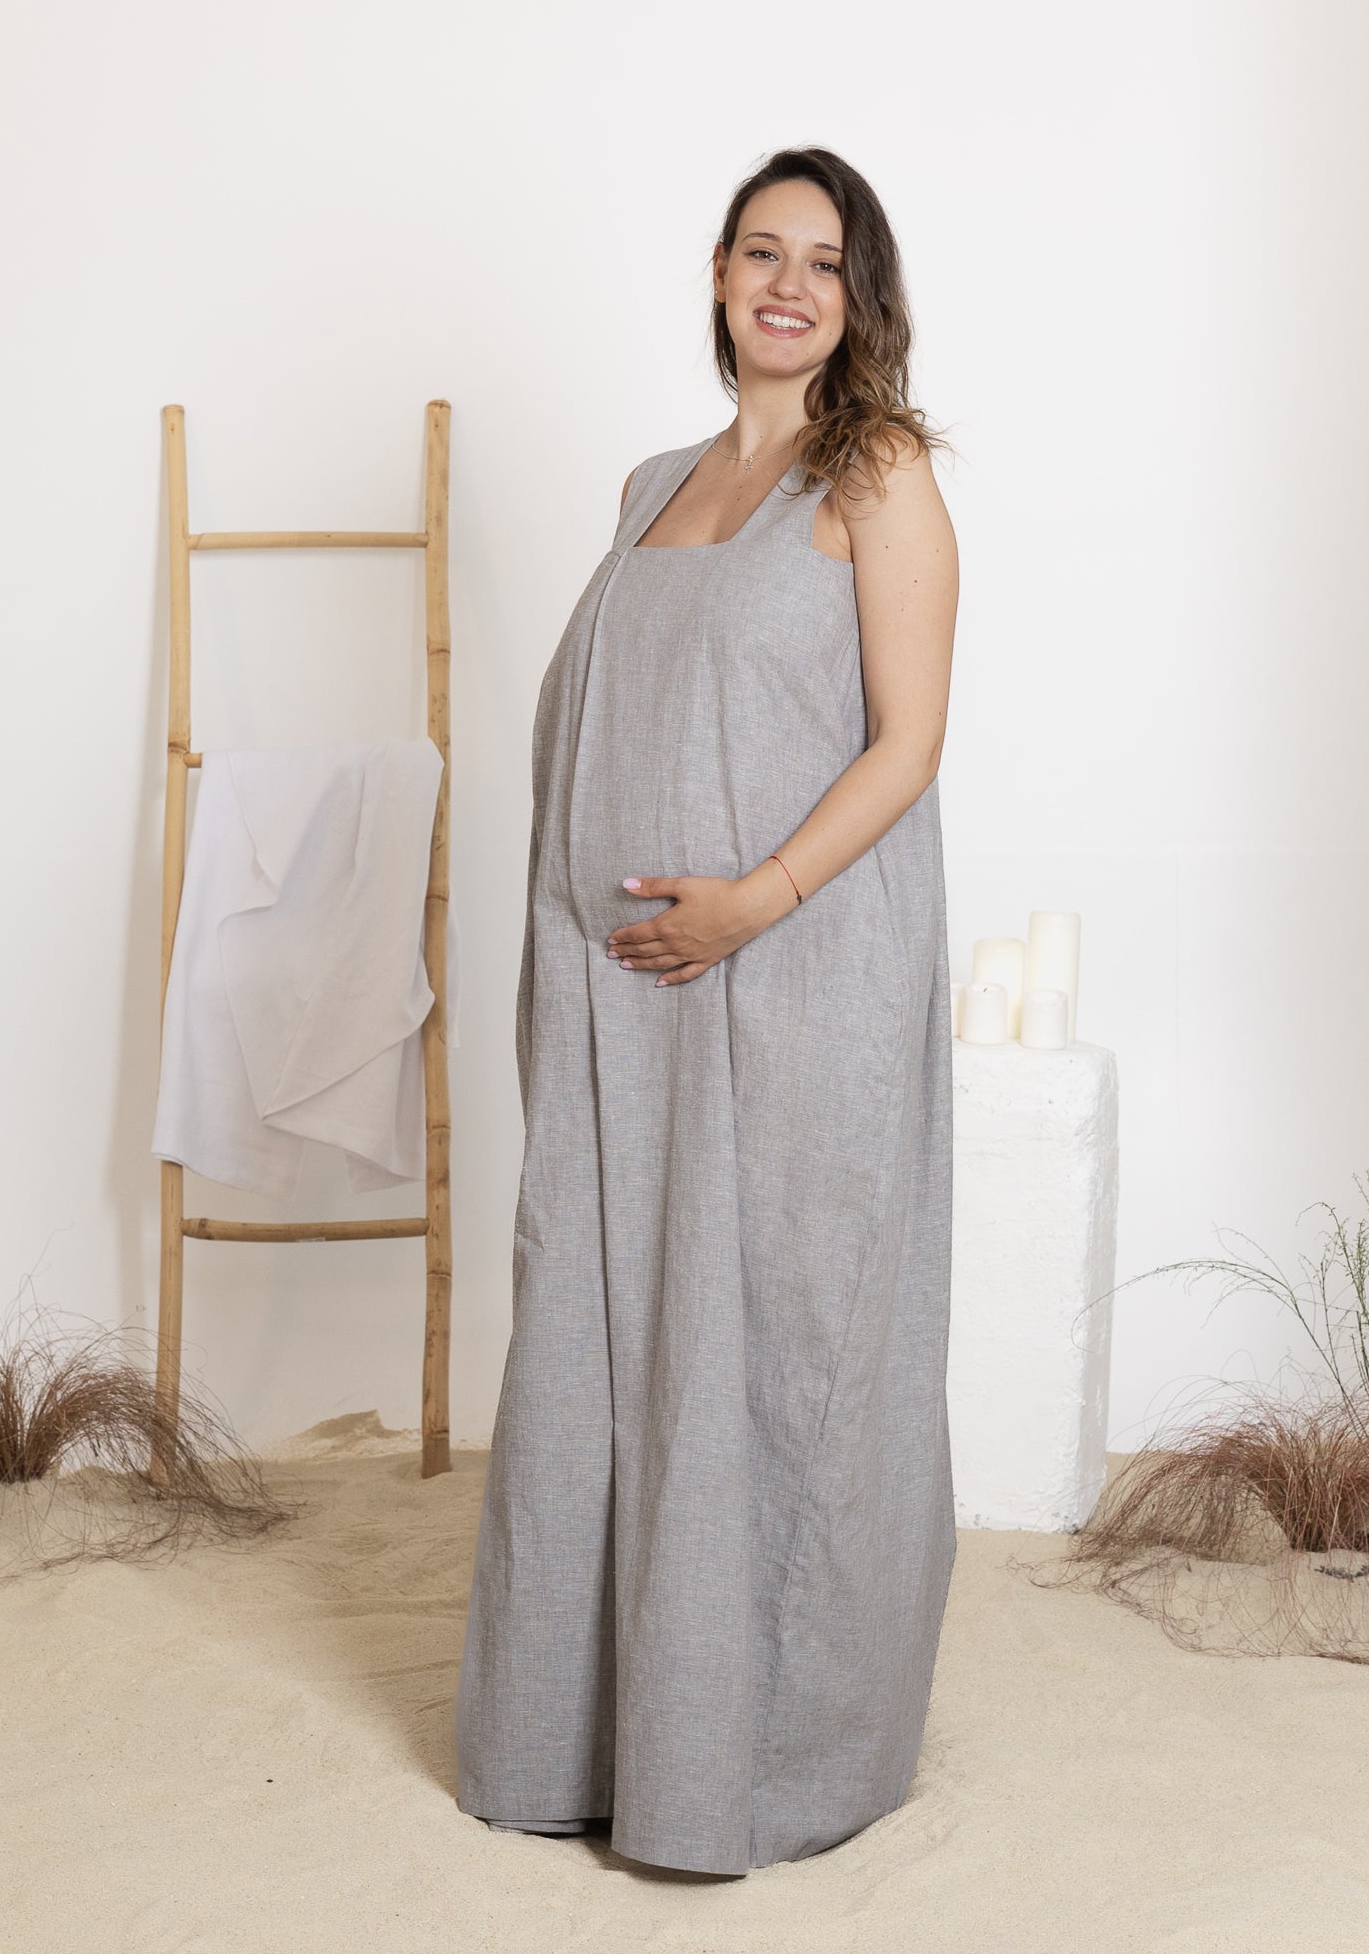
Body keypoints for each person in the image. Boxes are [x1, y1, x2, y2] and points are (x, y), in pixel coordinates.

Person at [454, 145, 960, 1875]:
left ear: (860, 297)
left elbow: (909, 742)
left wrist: (755, 900)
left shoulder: (876, 472)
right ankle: (586, 1740)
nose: (787, 285)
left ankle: (770, 1756)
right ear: (722, 278)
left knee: (777, 1343)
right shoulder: (650, 481)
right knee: (606, 1338)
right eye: (761, 251)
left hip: (794, 984)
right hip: (627, 1010)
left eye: (822, 260)